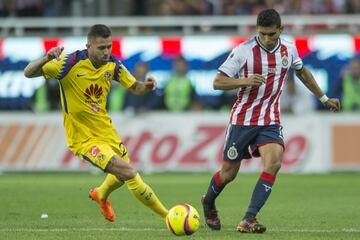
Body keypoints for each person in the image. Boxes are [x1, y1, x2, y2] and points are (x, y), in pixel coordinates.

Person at [201, 9, 340, 234]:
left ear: (281, 30)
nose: (266, 39)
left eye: (271, 35)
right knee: (228, 174)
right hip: (243, 120)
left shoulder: (289, 49)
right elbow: (217, 82)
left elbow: (303, 73)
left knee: (274, 162)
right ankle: (208, 201)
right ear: (257, 30)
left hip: (270, 119)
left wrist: (324, 98)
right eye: (262, 34)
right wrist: (244, 80)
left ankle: (249, 219)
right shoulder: (243, 51)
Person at [24, 24, 168, 223]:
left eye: (109, 46)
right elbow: (28, 73)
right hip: (83, 138)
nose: (107, 52)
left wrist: (147, 86)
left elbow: (134, 86)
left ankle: (100, 194)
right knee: (128, 172)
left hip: (106, 131)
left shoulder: (113, 65)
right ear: (88, 46)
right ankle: (168, 217)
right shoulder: (69, 63)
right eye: (101, 48)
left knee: (120, 174)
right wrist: (47, 58)